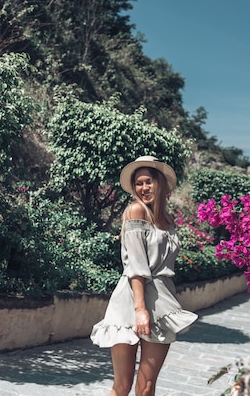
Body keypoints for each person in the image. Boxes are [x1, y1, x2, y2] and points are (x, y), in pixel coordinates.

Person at [90, 155, 198, 396]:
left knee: (147, 387)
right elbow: (136, 266)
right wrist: (141, 310)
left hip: (162, 300)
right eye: (139, 183)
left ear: (160, 184)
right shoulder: (136, 211)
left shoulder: (169, 221)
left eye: (148, 182)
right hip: (131, 300)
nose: (144, 188)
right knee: (122, 385)